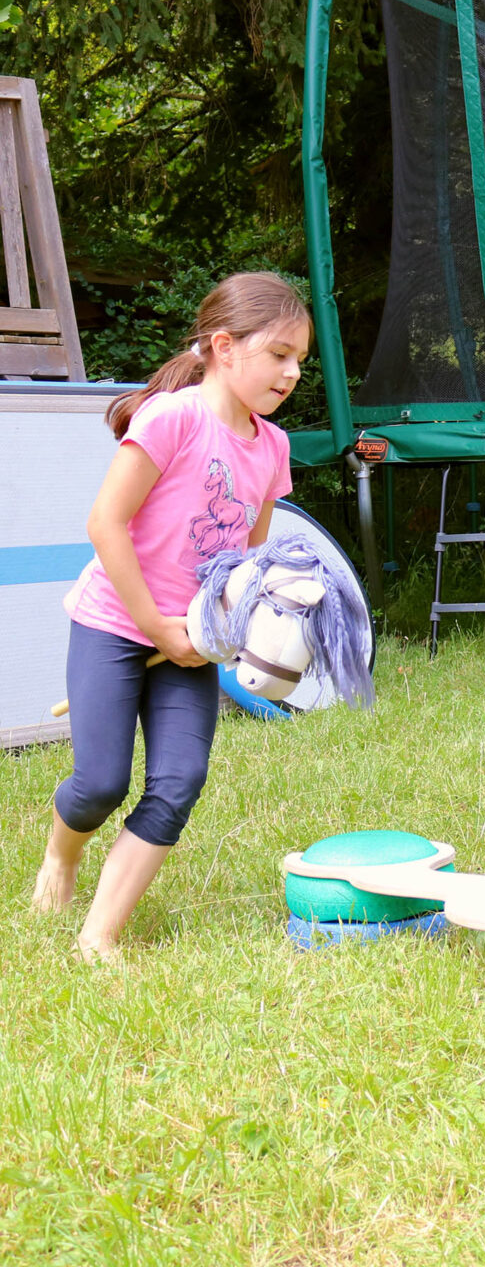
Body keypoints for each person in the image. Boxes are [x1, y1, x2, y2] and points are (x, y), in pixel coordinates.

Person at [31, 271, 310, 960]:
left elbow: (247, 558)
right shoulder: (172, 418)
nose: (292, 372)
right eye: (279, 354)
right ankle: (62, 856)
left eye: (299, 359)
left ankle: (99, 938)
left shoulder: (271, 448)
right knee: (99, 783)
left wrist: (228, 630)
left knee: (179, 782)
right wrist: (159, 631)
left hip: (192, 638)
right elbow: (106, 525)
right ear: (224, 346)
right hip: (115, 623)